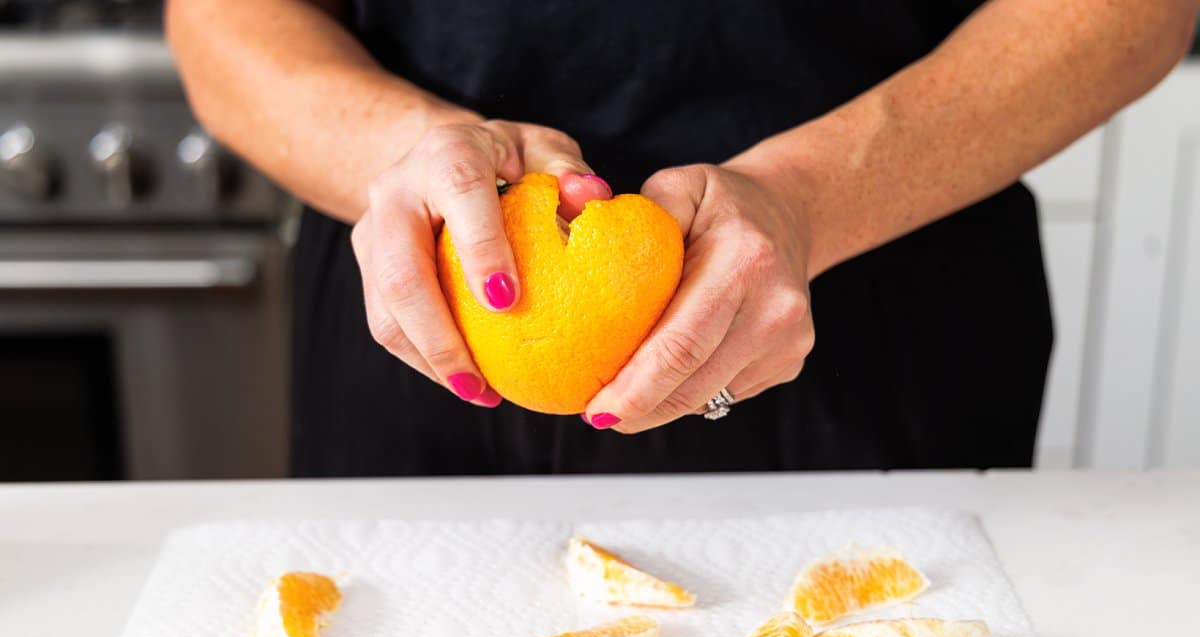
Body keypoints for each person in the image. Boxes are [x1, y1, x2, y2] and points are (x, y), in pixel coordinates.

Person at [167, 1, 1198, 476]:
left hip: (878, 308)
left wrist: (810, 199)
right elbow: (221, 19)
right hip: (431, 315)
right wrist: (406, 149)